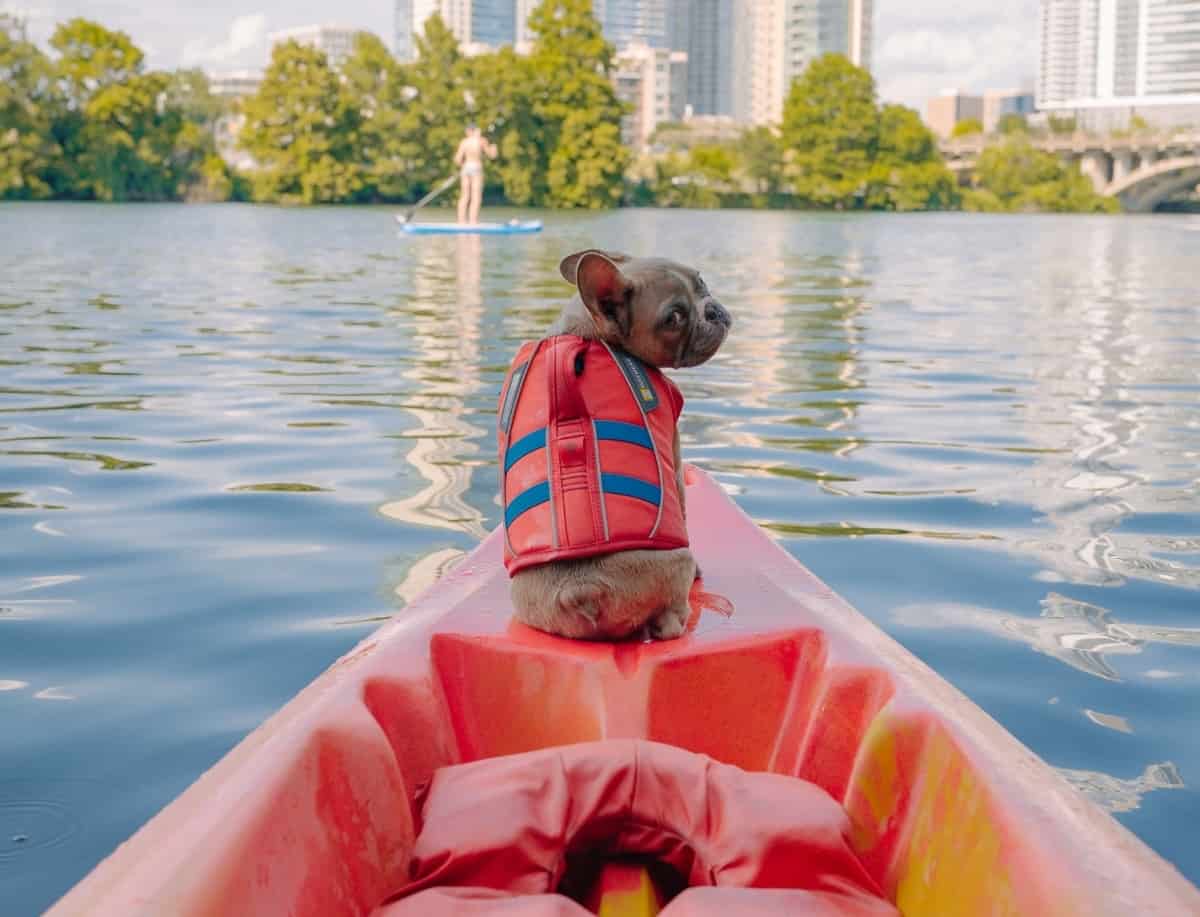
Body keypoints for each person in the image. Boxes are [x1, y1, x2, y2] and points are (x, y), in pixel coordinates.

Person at [454, 124, 498, 225]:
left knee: (464, 195)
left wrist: (463, 166)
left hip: (466, 168)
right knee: (476, 196)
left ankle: (461, 221)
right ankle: (473, 221)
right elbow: (492, 155)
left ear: (469, 131)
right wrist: (494, 147)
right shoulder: (481, 140)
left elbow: (457, 159)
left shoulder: (464, 142)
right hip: (476, 167)